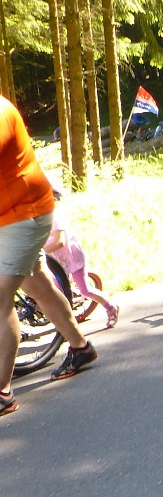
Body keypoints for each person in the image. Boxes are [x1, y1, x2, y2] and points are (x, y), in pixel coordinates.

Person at [2, 95, 101, 416]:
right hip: (11, 215)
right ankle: (80, 348)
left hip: (23, 215)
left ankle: (2, 393)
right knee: (38, 286)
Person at [43, 191, 120, 329]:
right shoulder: (40, 219)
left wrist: (42, 250)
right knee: (57, 292)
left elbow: (60, 242)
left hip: (73, 259)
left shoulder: (55, 219)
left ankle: (111, 307)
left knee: (85, 290)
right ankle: (67, 324)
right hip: (57, 263)